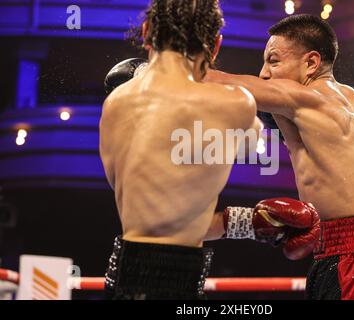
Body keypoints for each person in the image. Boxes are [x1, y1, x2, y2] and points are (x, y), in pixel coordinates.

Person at [100, 1, 319, 300]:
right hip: (182, 276)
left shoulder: (115, 103)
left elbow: (157, 214)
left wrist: (249, 222)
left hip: (123, 274)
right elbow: (257, 139)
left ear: (147, 32)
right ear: (215, 45)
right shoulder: (235, 105)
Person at [205, 14, 354, 300]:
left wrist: (161, 71)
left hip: (352, 258)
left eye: (273, 61)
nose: (264, 73)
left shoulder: (306, 98)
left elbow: (230, 84)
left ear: (311, 63)